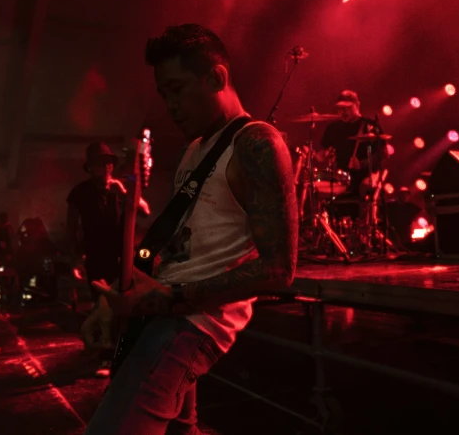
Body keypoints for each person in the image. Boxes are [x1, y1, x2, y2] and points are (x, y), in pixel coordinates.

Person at [85, 24, 299, 434]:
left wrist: (168, 298)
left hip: (191, 325)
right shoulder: (194, 149)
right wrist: (115, 298)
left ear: (216, 77)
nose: (170, 105)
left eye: (177, 89)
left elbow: (279, 270)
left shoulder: (256, 143)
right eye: (164, 94)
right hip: (169, 314)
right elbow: (172, 243)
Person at [67, 143, 150, 371]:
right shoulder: (80, 192)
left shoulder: (120, 189)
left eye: (110, 163)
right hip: (95, 257)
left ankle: (109, 353)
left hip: (120, 258)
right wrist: (75, 258)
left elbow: (144, 211)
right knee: (102, 304)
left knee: (115, 305)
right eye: (102, 163)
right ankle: (104, 350)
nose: (107, 167)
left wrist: (123, 192)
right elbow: (71, 227)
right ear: (91, 167)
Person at [317, 89, 389, 197]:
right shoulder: (332, 128)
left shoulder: (369, 125)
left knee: (364, 189)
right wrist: (314, 154)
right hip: (341, 177)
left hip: (365, 176)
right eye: (341, 108)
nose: (344, 111)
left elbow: (384, 153)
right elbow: (322, 154)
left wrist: (362, 163)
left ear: (357, 106)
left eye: (348, 108)